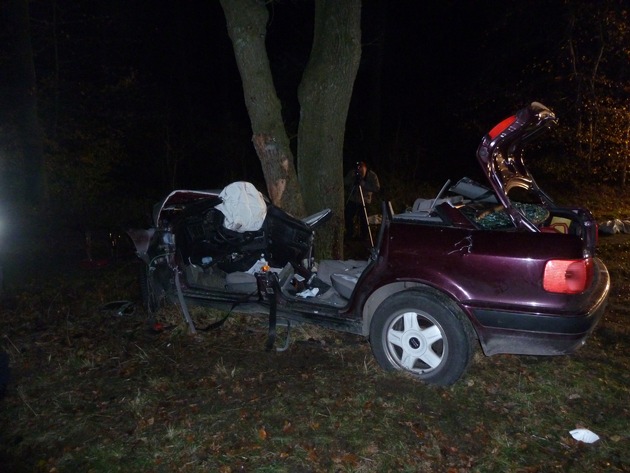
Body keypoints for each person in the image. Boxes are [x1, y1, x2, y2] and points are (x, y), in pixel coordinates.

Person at [344, 161, 380, 241]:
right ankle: (350, 233)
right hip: (353, 199)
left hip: (364, 200)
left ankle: (364, 236)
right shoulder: (353, 173)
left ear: (365, 168)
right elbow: (345, 182)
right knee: (348, 215)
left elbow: (377, 188)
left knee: (364, 219)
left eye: (361, 168)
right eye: (358, 168)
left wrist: (364, 184)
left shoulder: (372, 175)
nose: (359, 171)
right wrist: (352, 178)